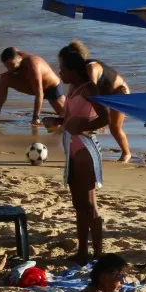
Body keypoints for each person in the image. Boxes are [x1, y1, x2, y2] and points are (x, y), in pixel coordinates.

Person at [41, 47, 111, 262]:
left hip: (86, 149)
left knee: (90, 205)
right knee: (78, 204)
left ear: (74, 70)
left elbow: (105, 118)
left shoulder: (90, 89)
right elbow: (70, 119)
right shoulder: (73, 88)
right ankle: (82, 251)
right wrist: (57, 122)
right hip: (71, 147)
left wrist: (84, 125)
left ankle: (98, 254)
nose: (59, 73)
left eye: (62, 69)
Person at [0, 47, 62, 124]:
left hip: (52, 89)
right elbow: (15, 55)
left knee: (66, 116)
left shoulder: (33, 66)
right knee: (4, 78)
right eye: (7, 66)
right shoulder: (18, 58)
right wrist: (10, 71)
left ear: (19, 57)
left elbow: (39, 93)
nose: (10, 69)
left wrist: (35, 117)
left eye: (12, 65)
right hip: (35, 85)